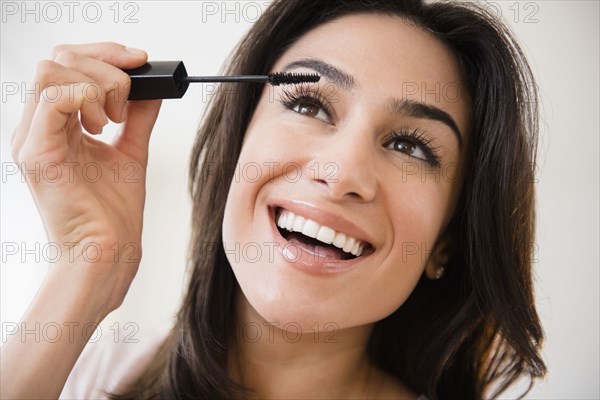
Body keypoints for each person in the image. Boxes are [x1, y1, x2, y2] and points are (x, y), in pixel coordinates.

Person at [2, 0, 547, 399]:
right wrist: (85, 266)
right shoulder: (81, 373)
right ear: (237, 143)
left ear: (445, 243)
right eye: (309, 105)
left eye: (410, 146)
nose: (341, 174)